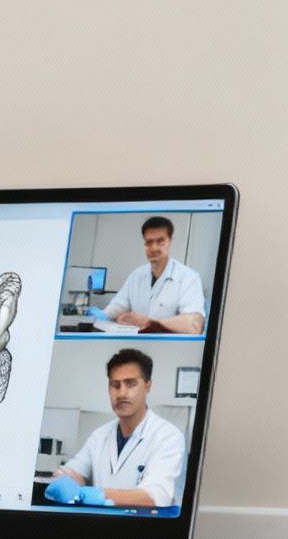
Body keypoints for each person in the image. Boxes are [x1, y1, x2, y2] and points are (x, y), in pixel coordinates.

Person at [43, 348, 187, 510]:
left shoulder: (168, 436)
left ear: (148, 386)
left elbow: (155, 496)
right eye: (115, 385)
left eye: (131, 384)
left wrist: (94, 494)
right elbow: (71, 472)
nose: (122, 393)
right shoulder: (100, 436)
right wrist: (65, 480)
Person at [102, 216, 206, 334]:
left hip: (171, 348)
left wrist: (149, 322)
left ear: (169, 241)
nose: (154, 248)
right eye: (149, 243)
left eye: (160, 242)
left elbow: (194, 325)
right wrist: (102, 316)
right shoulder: (136, 276)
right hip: (136, 347)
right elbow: (117, 306)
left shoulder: (188, 277)